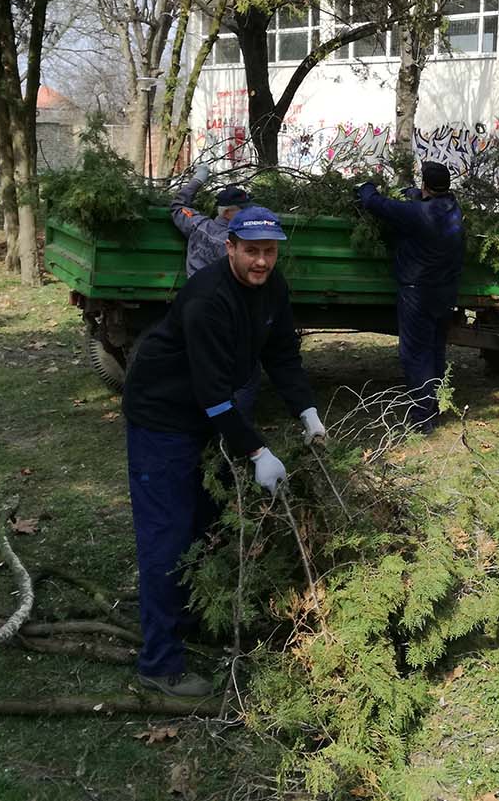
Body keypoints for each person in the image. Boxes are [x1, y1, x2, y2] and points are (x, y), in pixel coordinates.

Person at [121, 206, 328, 697]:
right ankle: (159, 663)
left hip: (204, 413)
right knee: (166, 534)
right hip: (162, 416)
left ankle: (190, 616)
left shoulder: (272, 288)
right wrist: (258, 453)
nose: (261, 261)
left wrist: (308, 412)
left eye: (270, 252)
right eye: (252, 251)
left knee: (206, 519)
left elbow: (282, 355)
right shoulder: (208, 299)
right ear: (230, 246)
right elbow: (214, 394)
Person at [355, 161, 465, 432]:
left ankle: (423, 419)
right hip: (445, 293)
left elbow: (374, 203)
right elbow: (424, 201)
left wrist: (365, 186)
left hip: (418, 293)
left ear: (425, 185)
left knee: (416, 355)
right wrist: (412, 193)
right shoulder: (453, 209)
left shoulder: (416, 214)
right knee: (436, 351)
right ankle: (435, 407)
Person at [170, 163, 250, 277]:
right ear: (227, 213)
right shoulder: (231, 243)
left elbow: (178, 207)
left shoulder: (198, 225)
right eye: (243, 210)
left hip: (194, 290)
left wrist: (198, 179)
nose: (249, 213)